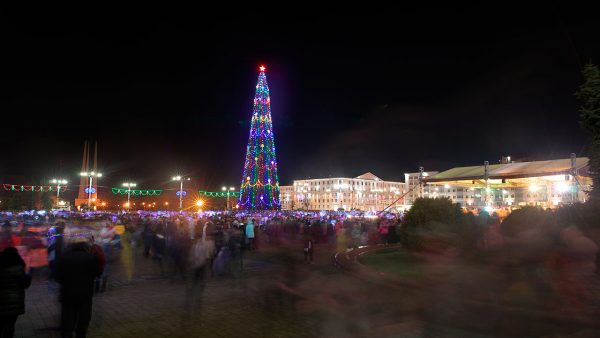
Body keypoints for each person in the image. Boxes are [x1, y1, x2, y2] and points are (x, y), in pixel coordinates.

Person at [57, 240, 102, 338]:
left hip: (68, 294)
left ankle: (67, 334)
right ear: (85, 247)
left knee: (67, 320)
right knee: (83, 319)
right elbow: (98, 273)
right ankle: (80, 334)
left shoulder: (64, 257)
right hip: (85, 294)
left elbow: (57, 276)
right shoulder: (91, 258)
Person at [0, 247, 32, 338]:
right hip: (14, 302)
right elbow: (24, 284)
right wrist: (28, 277)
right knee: (10, 325)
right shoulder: (19, 267)